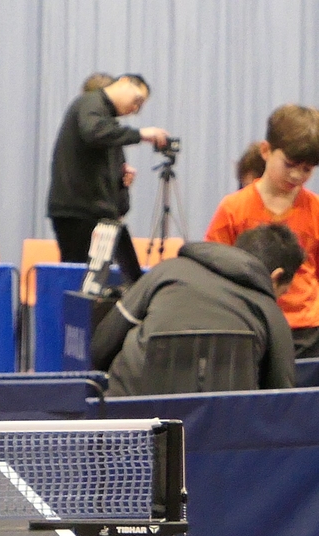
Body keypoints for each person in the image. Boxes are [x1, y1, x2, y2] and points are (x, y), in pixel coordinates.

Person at [90, 224, 302, 396]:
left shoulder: (166, 271)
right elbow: (282, 401)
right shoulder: (270, 313)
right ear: (275, 277)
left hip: (131, 418)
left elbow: (102, 345)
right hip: (223, 430)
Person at [205, 104, 319, 359]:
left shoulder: (315, 209)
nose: (297, 175)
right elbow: (214, 272)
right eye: (290, 164)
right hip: (249, 324)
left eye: (307, 169)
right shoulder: (233, 208)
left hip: (306, 331)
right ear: (266, 151)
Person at [46, 73, 171, 283]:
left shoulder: (110, 129)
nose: (135, 109)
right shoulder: (90, 103)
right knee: (82, 283)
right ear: (124, 82)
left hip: (102, 215)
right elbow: (93, 132)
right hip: (80, 213)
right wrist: (141, 134)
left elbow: (120, 203)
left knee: (125, 280)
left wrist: (122, 184)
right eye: (137, 100)